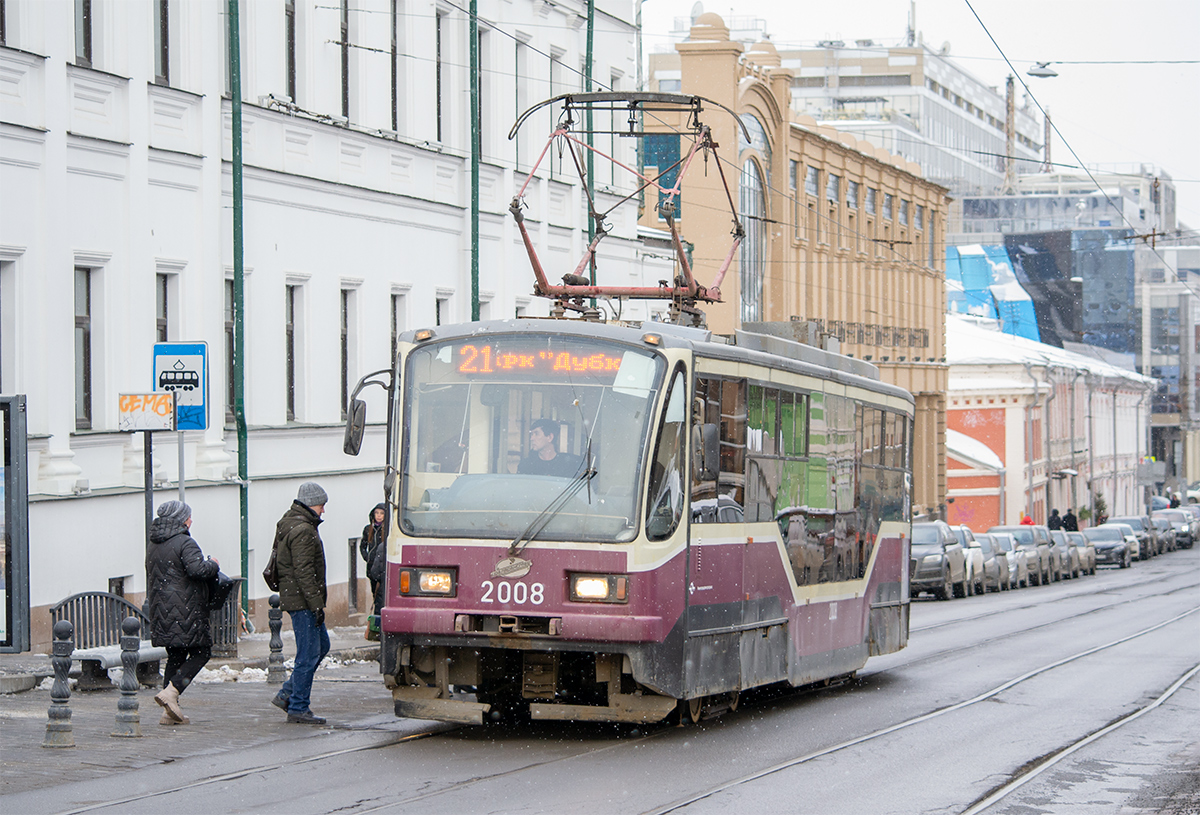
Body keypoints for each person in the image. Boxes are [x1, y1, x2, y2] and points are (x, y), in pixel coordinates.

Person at [145, 500, 219, 726]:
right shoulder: (185, 542)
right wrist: (213, 564)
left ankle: (169, 712)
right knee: (202, 652)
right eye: (188, 517)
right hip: (186, 610)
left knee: (176, 656)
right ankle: (172, 692)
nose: (191, 521)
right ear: (180, 519)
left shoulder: (154, 544)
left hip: (162, 610)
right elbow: (197, 570)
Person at [270, 482, 331, 725]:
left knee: (321, 646)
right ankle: (297, 707)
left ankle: (287, 694)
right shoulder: (303, 530)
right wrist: (316, 605)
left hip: (298, 597)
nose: (323, 510)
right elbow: (304, 572)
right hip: (303, 600)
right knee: (308, 655)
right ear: (311, 504)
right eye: (321, 505)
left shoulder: (291, 522)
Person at [517, 419, 582, 478]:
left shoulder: (569, 465)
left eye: (536, 434)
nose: (532, 438)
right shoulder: (526, 465)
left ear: (550, 437)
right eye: (531, 434)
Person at [360, 503, 387, 619]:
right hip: (372, 567)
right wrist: (368, 557)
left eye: (381, 513)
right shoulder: (368, 529)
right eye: (376, 513)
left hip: (383, 566)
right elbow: (362, 546)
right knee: (375, 593)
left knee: (382, 594)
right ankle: (377, 617)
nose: (379, 516)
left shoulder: (386, 529)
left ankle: (380, 615)